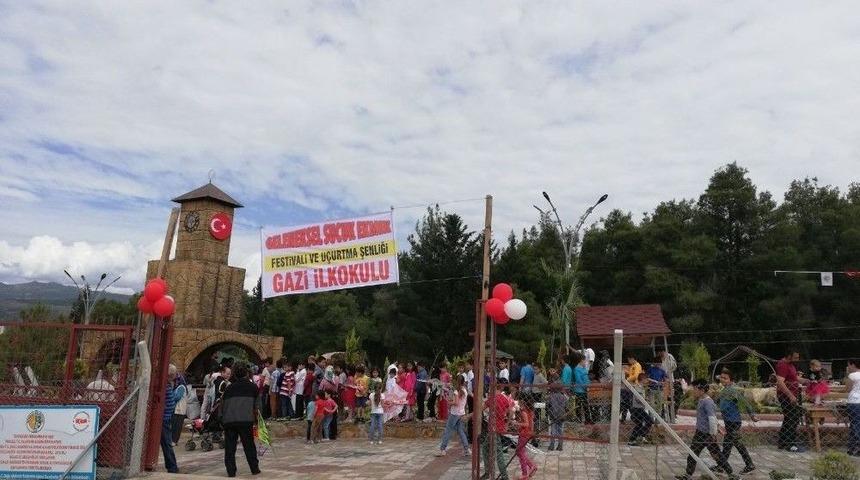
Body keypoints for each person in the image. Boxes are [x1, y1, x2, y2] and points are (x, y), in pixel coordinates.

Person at [675, 379, 732, 480]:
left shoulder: (708, 402)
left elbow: (712, 418)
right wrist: (717, 426)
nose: (693, 391)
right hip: (700, 433)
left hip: (707, 434)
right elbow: (711, 418)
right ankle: (688, 475)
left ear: (701, 389)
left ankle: (731, 474)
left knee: (716, 455)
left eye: (694, 389)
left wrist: (713, 433)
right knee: (693, 454)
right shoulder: (701, 400)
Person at [221, 363, 260, 478]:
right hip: (245, 420)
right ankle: (254, 468)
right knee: (249, 446)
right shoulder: (253, 387)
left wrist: (222, 421)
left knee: (230, 448)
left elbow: (222, 406)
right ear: (247, 373)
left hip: (229, 421)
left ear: (234, 374)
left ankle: (231, 471)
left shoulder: (228, 388)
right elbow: (258, 407)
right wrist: (257, 420)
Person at [717, 369, 756, 474]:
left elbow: (744, 402)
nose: (723, 380)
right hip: (729, 421)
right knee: (727, 445)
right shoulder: (724, 390)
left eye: (725, 378)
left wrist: (752, 415)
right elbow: (720, 404)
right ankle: (721, 466)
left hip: (734, 422)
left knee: (737, 444)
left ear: (731, 380)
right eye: (721, 377)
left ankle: (749, 464)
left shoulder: (732, 391)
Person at [775, 349, 807, 452]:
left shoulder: (791, 365)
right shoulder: (783, 365)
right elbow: (780, 382)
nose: (798, 359)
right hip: (786, 396)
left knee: (789, 418)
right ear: (789, 356)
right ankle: (790, 444)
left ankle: (783, 442)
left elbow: (794, 378)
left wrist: (806, 381)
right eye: (796, 357)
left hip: (792, 395)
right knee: (793, 419)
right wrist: (790, 395)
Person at [481, 379, 512, 480]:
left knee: (498, 453)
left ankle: (504, 476)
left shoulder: (492, 398)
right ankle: (488, 472)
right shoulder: (504, 398)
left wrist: (469, 415)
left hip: (494, 428)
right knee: (485, 448)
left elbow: (481, 409)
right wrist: (507, 424)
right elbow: (510, 412)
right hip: (497, 427)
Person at [435, 374, 471, 457]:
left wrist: (449, 402)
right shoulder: (464, 390)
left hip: (454, 413)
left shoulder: (456, 391)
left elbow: (456, 403)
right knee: (461, 431)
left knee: (448, 430)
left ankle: (443, 449)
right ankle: (467, 449)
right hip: (461, 413)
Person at [160, 365, 180, 474]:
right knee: (167, 443)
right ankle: (172, 466)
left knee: (166, 443)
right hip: (165, 417)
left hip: (165, 418)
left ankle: (172, 466)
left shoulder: (166, 386)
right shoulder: (168, 385)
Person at [514, 392, 537, 480]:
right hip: (528, 433)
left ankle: (525, 473)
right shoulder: (530, 410)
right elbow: (532, 423)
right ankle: (531, 466)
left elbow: (526, 424)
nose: (518, 402)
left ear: (522, 401)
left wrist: (516, 423)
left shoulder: (524, 411)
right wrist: (532, 432)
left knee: (519, 452)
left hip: (524, 433)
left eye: (519, 401)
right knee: (520, 452)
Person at [628, 373, 652, 446]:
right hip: (636, 409)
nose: (647, 381)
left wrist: (645, 400)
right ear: (642, 379)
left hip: (640, 408)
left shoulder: (641, 387)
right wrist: (645, 401)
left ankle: (638, 437)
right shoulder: (637, 387)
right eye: (646, 379)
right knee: (645, 422)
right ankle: (638, 437)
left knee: (641, 423)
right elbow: (638, 399)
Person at [846, 359, 860, 457]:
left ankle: (855, 447)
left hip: (854, 402)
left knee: (854, 425)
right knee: (856, 424)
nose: (848, 367)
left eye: (849, 365)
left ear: (853, 365)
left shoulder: (852, 375)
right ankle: (852, 447)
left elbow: (847, 389)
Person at [546, 384, 566, 452]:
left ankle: (552, 445)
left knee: (553, 431)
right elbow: (566, 406)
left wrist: (549, 412)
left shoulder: (550, 396)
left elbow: (548, 405)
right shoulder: (564, 397)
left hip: (553, 415)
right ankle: (560, 445)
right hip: (561, 415)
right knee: (560, 431)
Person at [573, 352, 591, 424]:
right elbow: (578, 380)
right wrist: (585, 387)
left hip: (585, 390)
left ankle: (588, 419)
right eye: (585, 361)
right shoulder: (577, 369)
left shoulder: (584, 369)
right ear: (581, 361)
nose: (586, 362)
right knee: (579, 406)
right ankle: (579, 419)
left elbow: (586, 378)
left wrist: (588, 385)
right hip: (579, 391)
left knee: (586, 405)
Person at [171, 373, 189, 446]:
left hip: (179, 410)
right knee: (175, 426)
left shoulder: (181, 387)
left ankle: (174, 441)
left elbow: (177, 397)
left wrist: (171, 395)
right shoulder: (179, 387)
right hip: (178, 410)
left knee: (176, 427)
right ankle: (173, 440)